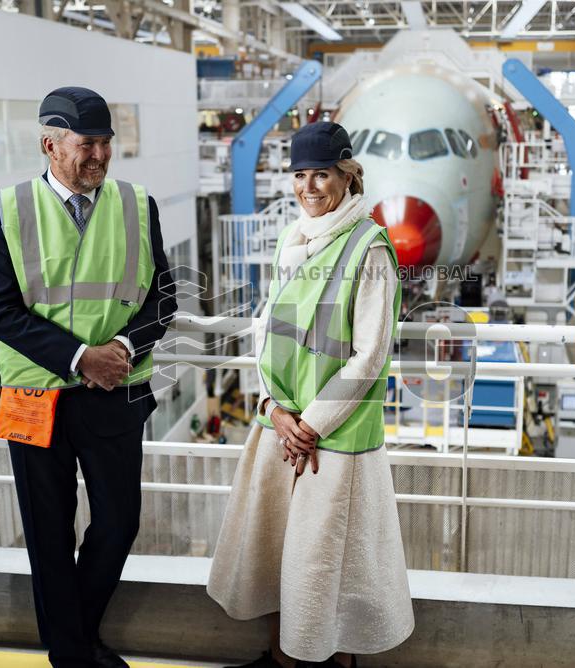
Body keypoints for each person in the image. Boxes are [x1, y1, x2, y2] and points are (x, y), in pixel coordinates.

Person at [0, 86, 176, 668]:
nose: (100, 156)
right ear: (50, 144)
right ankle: (72, 656)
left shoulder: (138, 204)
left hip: (114, 391)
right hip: (33, 395)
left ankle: (76, 638)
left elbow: (162, 297)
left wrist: (118, 347)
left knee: (119, 523)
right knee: (47, 534)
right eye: (86, 144)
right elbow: (2, 311)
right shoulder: (5, 209)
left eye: (106, 144)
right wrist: (78, 357)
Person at [207, 122, 414, 668]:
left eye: (321, 174)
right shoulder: (293, 238)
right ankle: (282, 660)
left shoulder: (370, 248)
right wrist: (273, 409)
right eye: (300, 174)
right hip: (281, 428)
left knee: (324, 565)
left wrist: (309, 426)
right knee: (280, 554)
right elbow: (265, 330)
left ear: (347, 176)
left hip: (331, 438)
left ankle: (330, 664)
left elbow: (369, 356)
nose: (309, 186)